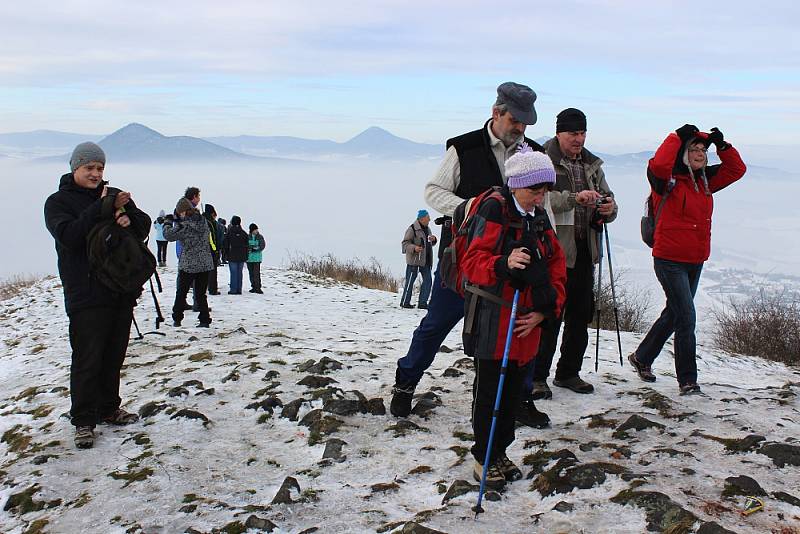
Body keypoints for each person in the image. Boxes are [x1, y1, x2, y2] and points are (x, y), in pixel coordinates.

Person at [390, 81, 552, 429]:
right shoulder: (464, 148)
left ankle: (519, 399)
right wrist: (469, 209)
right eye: (515, 121)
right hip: (462, 260)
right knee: (436, 325)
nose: (520, 129)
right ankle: (406, 383)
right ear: (497, 113)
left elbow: (543, 208)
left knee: (516, 330)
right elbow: (433, 191)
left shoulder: (533, 153)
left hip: (515, 265)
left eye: (525, 123)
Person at [460, 146, 566, 488]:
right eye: (535, 189)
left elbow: (556, 267)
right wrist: (502, 264)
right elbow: (472, 262)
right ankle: (483, 457)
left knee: (513, 395)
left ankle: (500, 451)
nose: (541, 196)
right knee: (490, 390)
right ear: (517, 184)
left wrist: (544, 313)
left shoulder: (538, 216)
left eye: (545, 190)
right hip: (493, 319)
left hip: (525, 324)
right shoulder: (495, 209)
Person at [44, 142, 150, 449]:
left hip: (118, 289)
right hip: (85, 292)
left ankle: (108, 408)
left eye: (100, 168)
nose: (95, 173)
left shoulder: (114, 196)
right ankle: (84, 421)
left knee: (113, 355)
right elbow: (69, 237)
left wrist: (129, 220)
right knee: (88, 358)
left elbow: (144, 226)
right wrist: (101, 209)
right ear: (74, 168)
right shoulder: (58, 202)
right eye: (89, 168)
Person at [628, 125, 745, 395]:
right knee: (686, 317)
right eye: (694, 148)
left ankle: (642, 357)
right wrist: (677, 136)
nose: (700, 153)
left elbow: (736, 170)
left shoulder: (705, 181)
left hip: (695, 259)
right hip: (668, 259)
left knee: (675, 313)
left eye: (703, 149)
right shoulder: (666, 180)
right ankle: (688, 381)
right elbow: (658, 164)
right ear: (682, 152)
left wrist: (723, 147)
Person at [524, 108, 618, 401]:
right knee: (549, 316)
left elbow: (610, 199)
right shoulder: (543, 160)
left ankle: (568, 373)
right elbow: (537, 197)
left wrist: (608, 208)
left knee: (580, 316)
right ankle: (537, 376)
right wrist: (575, 199)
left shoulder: (591, 165)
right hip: (552, 254)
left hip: (584, 252)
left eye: (582, 133)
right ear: (559, 133)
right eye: (572, 133)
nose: (578, 139)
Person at [163, 197, 214, 327]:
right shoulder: (203, 221)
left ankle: (177, 318)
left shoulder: (184, 225)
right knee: (201, 294)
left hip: (188, 264)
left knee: (181, 292)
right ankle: (204, 320)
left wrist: (167, 222)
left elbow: (168, 236)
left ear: (183, 211)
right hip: (205, 263)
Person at [400, 210, 437, 309]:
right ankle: (404, 302)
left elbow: (428, 243)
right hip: (414, 261)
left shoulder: (428, 229)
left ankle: (422, 303)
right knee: (410, 282)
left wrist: (434, 240)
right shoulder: (412, 229)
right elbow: (404, 244)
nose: (429, 219)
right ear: (422, 218)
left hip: (426, 261)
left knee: (428, 281)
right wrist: (414, 248)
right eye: (428, 217)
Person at [224, 215, 249, 294]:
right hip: (242, 256)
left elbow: (225, 244)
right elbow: (247, 245)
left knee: (233, 273)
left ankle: (233, 289)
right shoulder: (244, 233)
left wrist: (226, 254)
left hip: (232, 255)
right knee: (239, 273)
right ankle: (239, 289)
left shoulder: (229, 233)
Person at [203, 204, 221, 296]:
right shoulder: (210, 222)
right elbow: (212, 238)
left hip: (202, 250)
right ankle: (212, 289)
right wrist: (215, 250)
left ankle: (204, 287)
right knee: (212, 271)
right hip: (210, 250)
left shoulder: (202, 220)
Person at [247, 223, 266, 293]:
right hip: (249, 259)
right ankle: (253, 287)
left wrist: (255, 249)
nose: (256, 231)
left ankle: (258, 287)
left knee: (256, 273)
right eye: (255, 230)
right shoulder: (248, 237)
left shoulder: (260, 237)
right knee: (251, 273)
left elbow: (262, 245)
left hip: (257, 259)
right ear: (251, 230)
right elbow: (246, 246)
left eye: (257, 229)